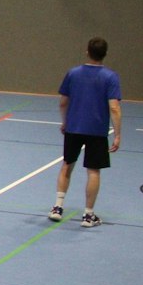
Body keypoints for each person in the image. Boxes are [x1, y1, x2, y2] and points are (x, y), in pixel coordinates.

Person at [50, 37, 122, 228]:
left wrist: (65, 121)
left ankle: (57, 207)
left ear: (87, 52)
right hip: (97, 131)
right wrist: (117, 134)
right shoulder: (111, 77)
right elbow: (114, 108)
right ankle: (88, 215)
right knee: (93, 171)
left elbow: (63, 101)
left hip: (74, 128)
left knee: (67, 165)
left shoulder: (73, 73)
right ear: (105, 54)